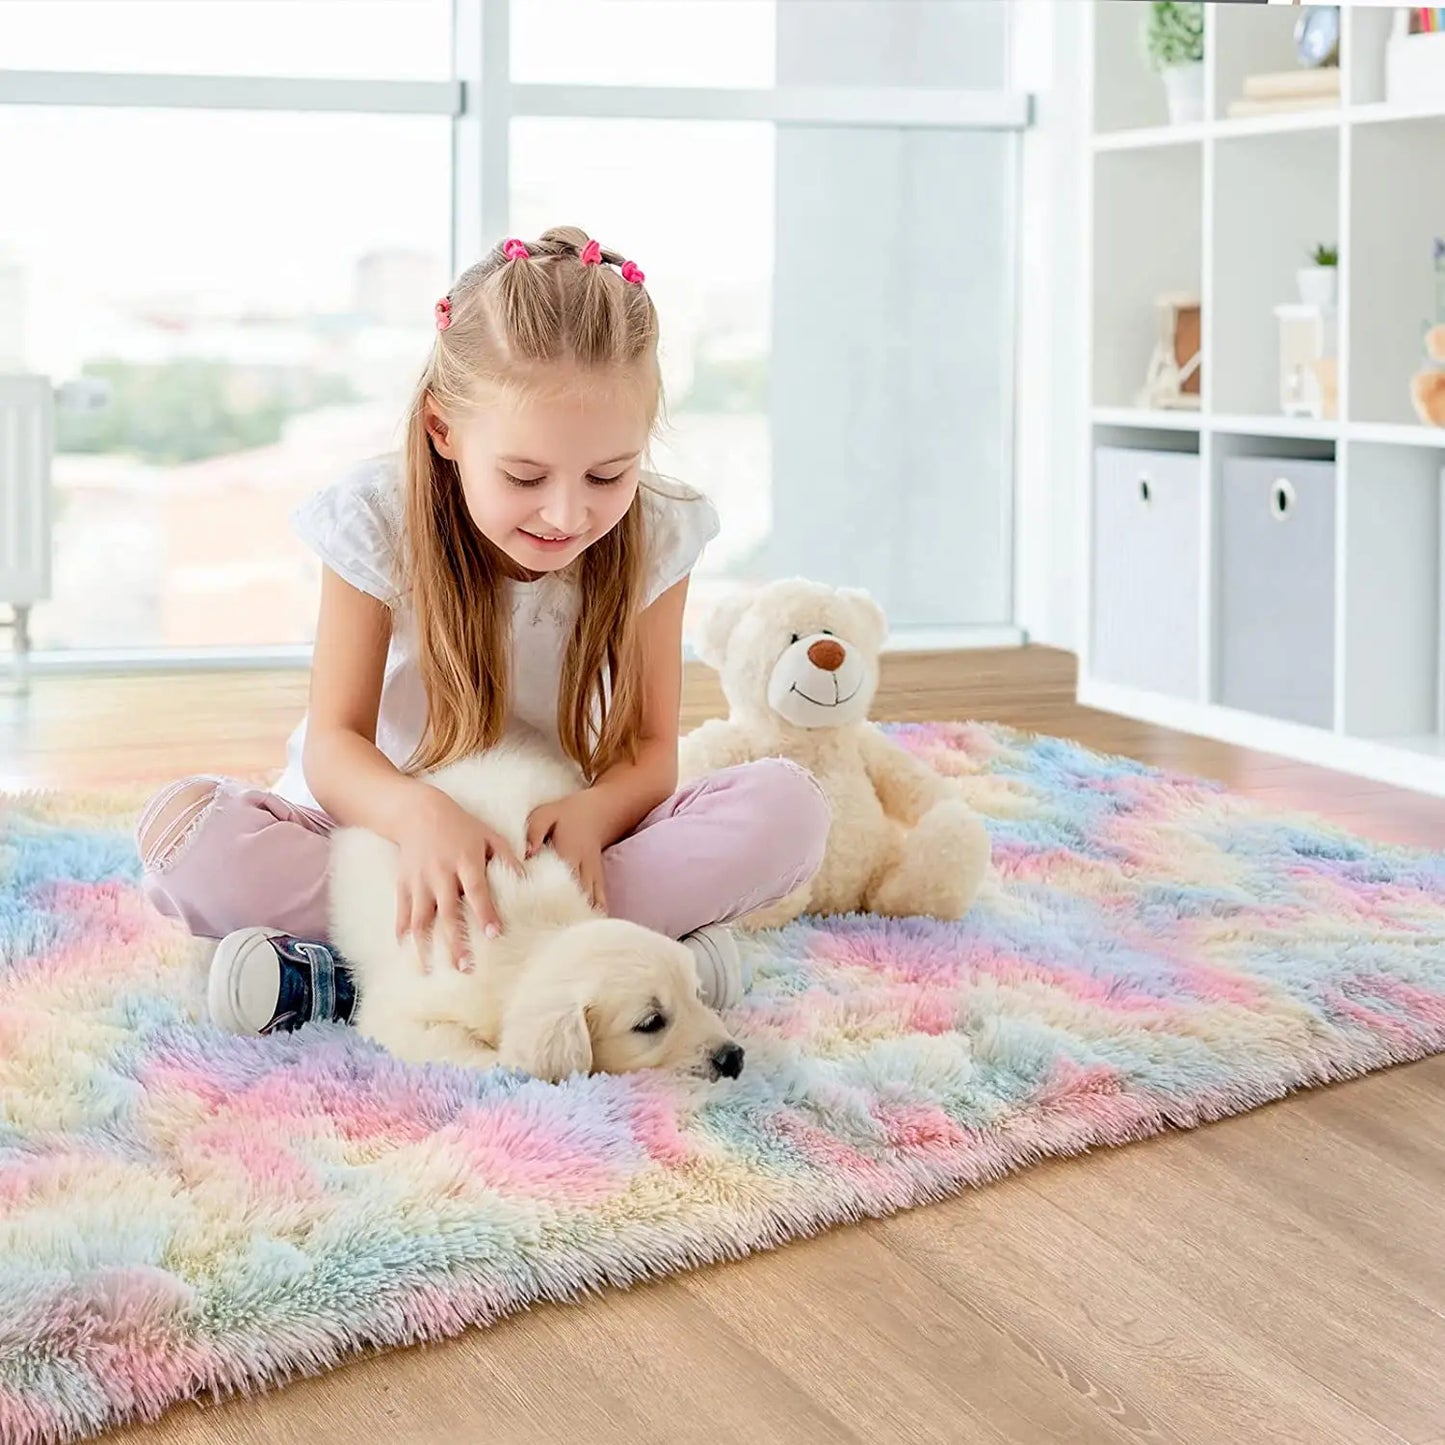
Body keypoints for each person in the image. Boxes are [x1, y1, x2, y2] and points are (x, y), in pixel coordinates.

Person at [135, 226, 829, 1037]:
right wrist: (418, 817)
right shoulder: (376, 520)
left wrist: (597, 814)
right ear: (443, 430)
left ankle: (339, 981)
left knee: (789, 811)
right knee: (193, 841)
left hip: (552, 856)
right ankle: (621, 964)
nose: (569, 513)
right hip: (382, 848)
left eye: (608, 474)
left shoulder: (657, 531)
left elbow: (648, 748)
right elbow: (335, 743)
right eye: (524, 476)